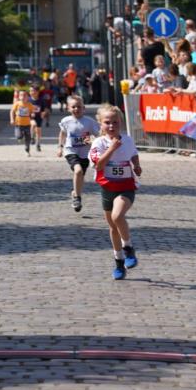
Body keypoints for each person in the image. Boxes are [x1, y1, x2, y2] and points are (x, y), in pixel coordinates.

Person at [88, 104, 142, 280]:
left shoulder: (127, 139)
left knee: (117, 217)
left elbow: (133, 153)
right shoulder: (98, 143)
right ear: (101, 125)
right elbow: (99, 165)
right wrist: (111, 149)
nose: (112, 126)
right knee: (112, 227)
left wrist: (136, 164)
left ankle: (128, 248)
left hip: (126, 187)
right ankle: (119, 262)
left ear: (121, 123)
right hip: (107, 188)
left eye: (115, 122)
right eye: (107, 122)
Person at [56, 95, 99, 212]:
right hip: (71, 151)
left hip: (85, 153)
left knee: (80, 176)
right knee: (78, 171)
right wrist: (60, 147)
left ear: (84, 108)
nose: (76, 109)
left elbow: (98, 136)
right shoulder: (66, 121)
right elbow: (63, 134)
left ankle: (75, 193)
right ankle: (77, 198)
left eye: (79, 106)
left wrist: (92, 141)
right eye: (73, 107)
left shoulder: (89, 122)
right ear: (68, 108)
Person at [10, 88, 36, 156]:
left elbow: (32, 112)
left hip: (27, 124)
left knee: (28, 138)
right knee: (19, 136)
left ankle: (27, 150)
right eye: (21, 95)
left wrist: (33, 114)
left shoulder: (30, 105)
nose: (23, 97)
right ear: (19, 96)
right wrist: (12, 119)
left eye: (25, 95)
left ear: (28, 97)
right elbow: (12, 111)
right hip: (18, 124)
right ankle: (20, 138)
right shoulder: (17, 104)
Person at [28, 83, 45, 151]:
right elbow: (24, 108)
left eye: (33, 90)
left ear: (37, 92)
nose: (31, 92)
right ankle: (32, 137)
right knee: (33, 124)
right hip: (30, 117)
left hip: (39, 117)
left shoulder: (41, 100)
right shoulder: (28, 100)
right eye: (30, 91)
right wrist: (30, 113)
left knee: (38, 131)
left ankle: (38, 144)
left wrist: (43, 114)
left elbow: (44, 109)